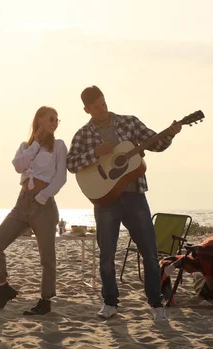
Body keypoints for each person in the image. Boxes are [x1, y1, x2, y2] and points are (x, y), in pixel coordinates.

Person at [66, 85, 181, 321]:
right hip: (105, 200)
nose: (102, 109)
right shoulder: (83, 134)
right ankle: (110, 303)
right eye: (96, 107)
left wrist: (170, 133)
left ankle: (156, 304)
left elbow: (154, 143)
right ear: (87, 109)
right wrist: (96, 153)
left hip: (135, 196)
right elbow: (71, 164)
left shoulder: (129, 122)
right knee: (107, 255)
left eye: (103, 103)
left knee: (149, 252)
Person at [0, 106, 67, 316]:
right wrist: (35, 144)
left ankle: (45, 300)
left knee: (47, 257)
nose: (55, 122)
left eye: (57, 120)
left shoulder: (59, 146)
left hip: (44, 205)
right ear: (39, 119)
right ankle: (3, 287)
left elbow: (61, 178)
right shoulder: (26, 146)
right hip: (22, 203)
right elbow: (18, 166)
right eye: (51, 118)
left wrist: (42, 197)